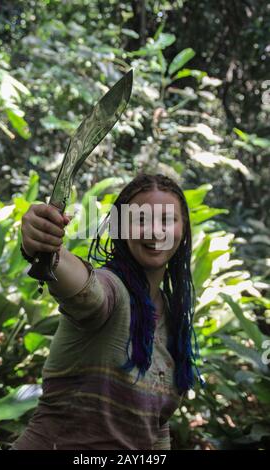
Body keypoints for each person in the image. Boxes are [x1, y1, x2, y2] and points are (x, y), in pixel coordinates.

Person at [12, 173, 202, 450]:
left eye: (166, 220)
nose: (155, 231)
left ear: (183, 229)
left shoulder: (174, 320)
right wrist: (43, 246)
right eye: (140, 220)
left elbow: (155, 425)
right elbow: (86, 290)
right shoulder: (113, 289)